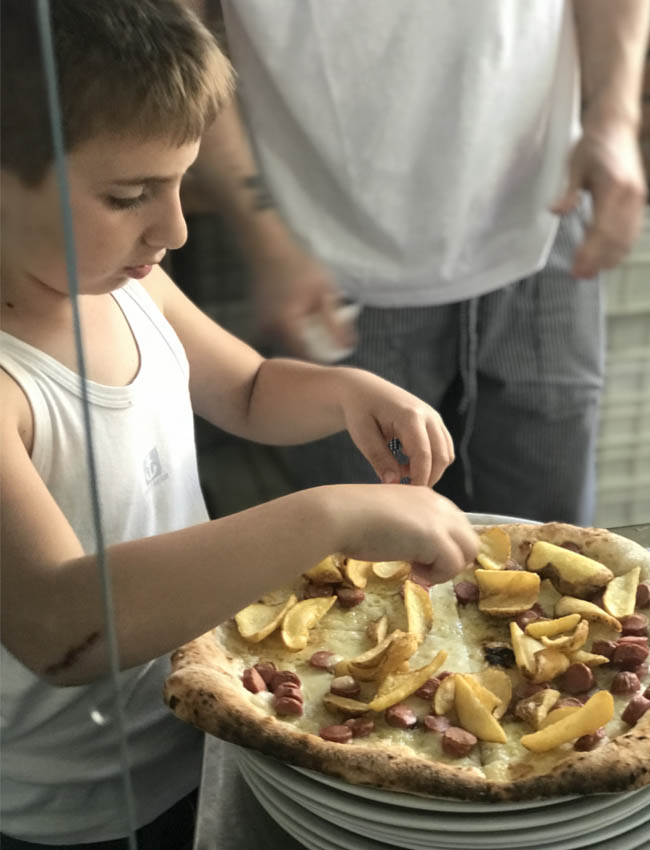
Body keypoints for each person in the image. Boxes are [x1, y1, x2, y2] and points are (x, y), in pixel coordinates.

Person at [0, 1, 479, 846]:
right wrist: (327, 515)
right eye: (129, 194)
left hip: (208, 723)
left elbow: (249, 389)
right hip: (74, 810)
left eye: (180, 182)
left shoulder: (128, 282)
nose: (174, 226)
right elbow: (56, 627)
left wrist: (344, 392)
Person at [188, 0, 650, 526]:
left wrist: (614, 119)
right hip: (328, 252)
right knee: (368, 561)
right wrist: (269, 240)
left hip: (544, 208)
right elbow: (178, 30)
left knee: (556, 548)